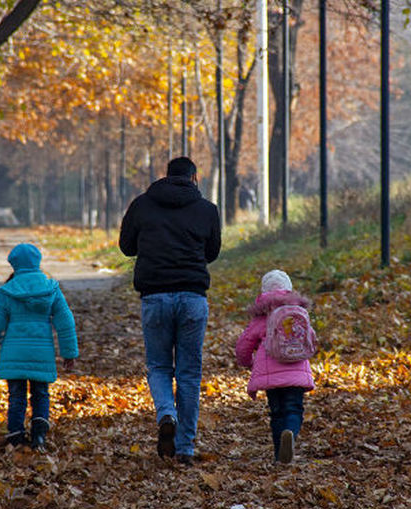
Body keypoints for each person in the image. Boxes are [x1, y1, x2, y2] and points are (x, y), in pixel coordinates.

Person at [119, 156, 221, 465]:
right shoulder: (207, 210)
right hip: (192, 297)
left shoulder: (142, 205)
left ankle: (166, 413)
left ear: (166, 176)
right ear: (194, 178)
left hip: (155, 297)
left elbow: (127, 247)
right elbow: (212, 252)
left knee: (160, 367)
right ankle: (186, 449)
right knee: (189, 374)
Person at [0, 243, 78, 451]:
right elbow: (65, 321)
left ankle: (15, 436)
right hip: (42, 353)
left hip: (14, 354)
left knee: (17, 396)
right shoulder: (51, 289)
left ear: (14, 264)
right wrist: (69, 353)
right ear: (37, 262)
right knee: (41, 393)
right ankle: (39, 436)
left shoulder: (6, 292)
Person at [235, 270, 316, 464]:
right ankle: (291, 433)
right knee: (294, 409)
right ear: (289, 290)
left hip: (271, 376)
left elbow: (243, 345)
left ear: (263, 292)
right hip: (296, 370)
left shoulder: (261, 317)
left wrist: (248, 363)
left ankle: (280, 453)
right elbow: (311, 339)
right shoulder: (298, 312)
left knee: (277, 412)